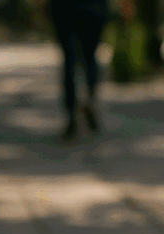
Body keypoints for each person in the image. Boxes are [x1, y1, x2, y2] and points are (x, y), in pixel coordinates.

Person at [47, 0, 110, 141]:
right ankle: (90, 98)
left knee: (69, 59)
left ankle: (71, 114)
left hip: (65, 8)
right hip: (94, 8)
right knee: (90, 57)